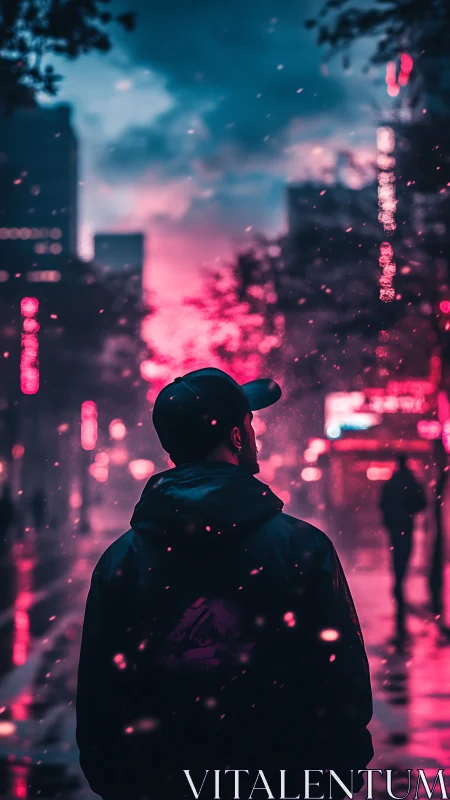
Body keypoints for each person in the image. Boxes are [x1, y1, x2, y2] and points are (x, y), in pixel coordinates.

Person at [77, 368, 373, 800]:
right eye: (250, 423)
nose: (254, 434)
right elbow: (344, 691)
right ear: (236, 438)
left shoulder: (121, 562)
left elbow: (100, 706)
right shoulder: (303, 549)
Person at [379, 454, 427, 645]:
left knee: (397, 556)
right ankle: (400, 581)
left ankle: (398, 581)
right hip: (406, 526)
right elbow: (422, 503)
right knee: (404, 554)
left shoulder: (392, 483)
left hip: (395, 527)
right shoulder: (411, 482)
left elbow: (382, 504)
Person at [0, 484, 14, 553]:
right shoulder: (7, 502)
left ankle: (4, 550)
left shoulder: (4, 502)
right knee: (4, 538)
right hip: (5, 524)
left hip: (4, 524)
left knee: (3, 538)